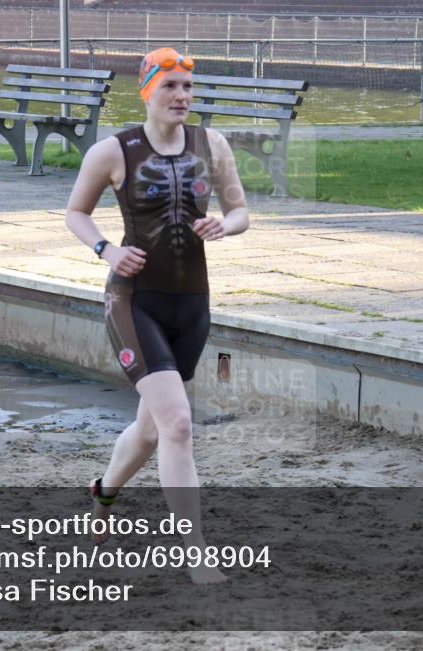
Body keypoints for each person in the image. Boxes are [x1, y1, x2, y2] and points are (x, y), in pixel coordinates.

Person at [65, 47, 250, 584]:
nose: (181, 97)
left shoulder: (212, 145)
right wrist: (105, 249)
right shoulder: (113, 150)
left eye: (188, 88)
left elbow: (240, 210)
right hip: (134, 299)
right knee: (178, 422)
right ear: (147, 90)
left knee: (151, 430)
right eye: (169, 86)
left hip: (192, 301)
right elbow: (75, 212)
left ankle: (102, 494)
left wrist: (225, 225)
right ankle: (196, 555)